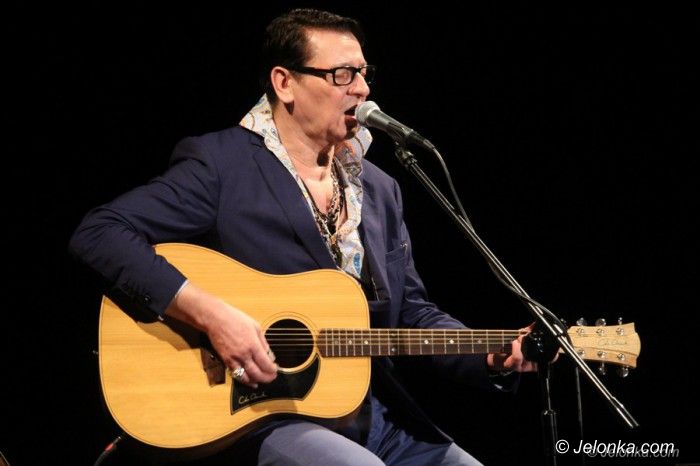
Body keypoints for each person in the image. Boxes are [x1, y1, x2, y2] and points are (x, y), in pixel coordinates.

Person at [69, 8, 538, 465]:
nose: (362, 88)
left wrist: (487, 355)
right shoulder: (224, 166)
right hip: (257, 414)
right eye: (341, 74)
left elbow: (411, 312)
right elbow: (100, 232)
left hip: (369, 415)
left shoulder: (379, 189)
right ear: (284, 83)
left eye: (364, 73)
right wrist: (213, 316)